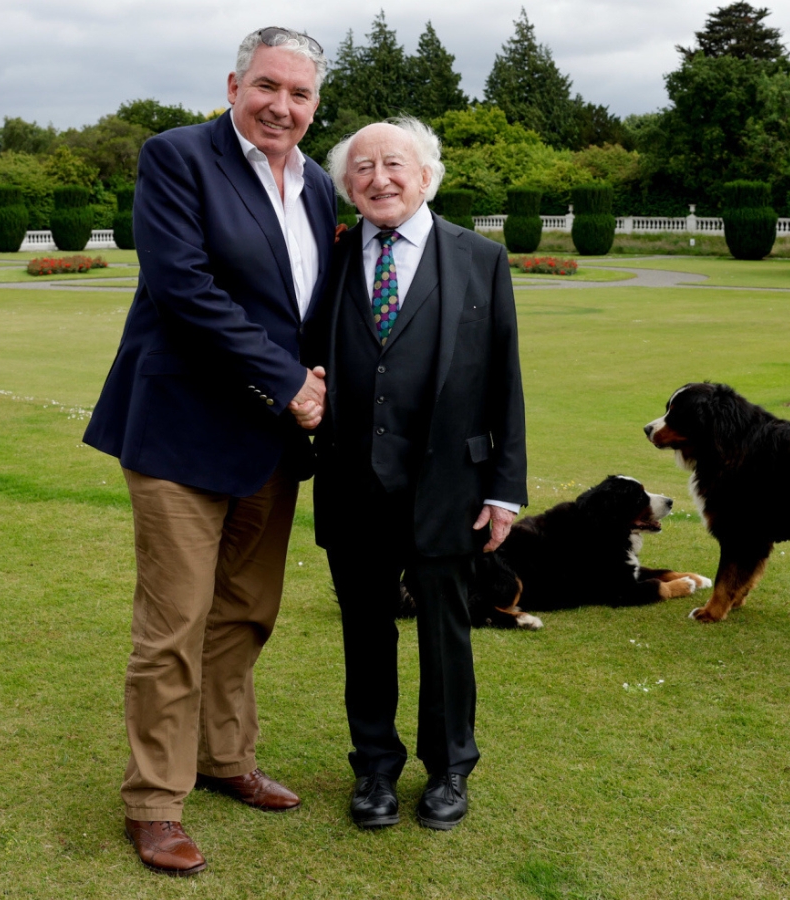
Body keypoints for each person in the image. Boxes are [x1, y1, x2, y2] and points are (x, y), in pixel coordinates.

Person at [80, 26, 336, 877]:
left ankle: (227, 759)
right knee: (174, 626)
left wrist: (326, 387)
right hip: (180, 431)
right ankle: (154, 802)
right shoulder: (177, 157)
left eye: (300, 95)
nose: (282, 106)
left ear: (314, 105)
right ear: (234, 86)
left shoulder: (321, 187)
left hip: (271, 441)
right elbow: (183, 286)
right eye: (268, 87)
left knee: (246, 614)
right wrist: (290, 380)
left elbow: (313, 315)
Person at [303, 119, 528, 831]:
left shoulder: (480, 258)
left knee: (446, 635)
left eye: (394, 163)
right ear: (348, 186)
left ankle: (450, 768)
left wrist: (504, 488)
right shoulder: (332, 257)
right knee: (365, 634)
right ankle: (374, 769)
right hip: (351, 483)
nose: (379, 179)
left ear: (426, 175)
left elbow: (504, 380)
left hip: (448, 489)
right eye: (362, 168)